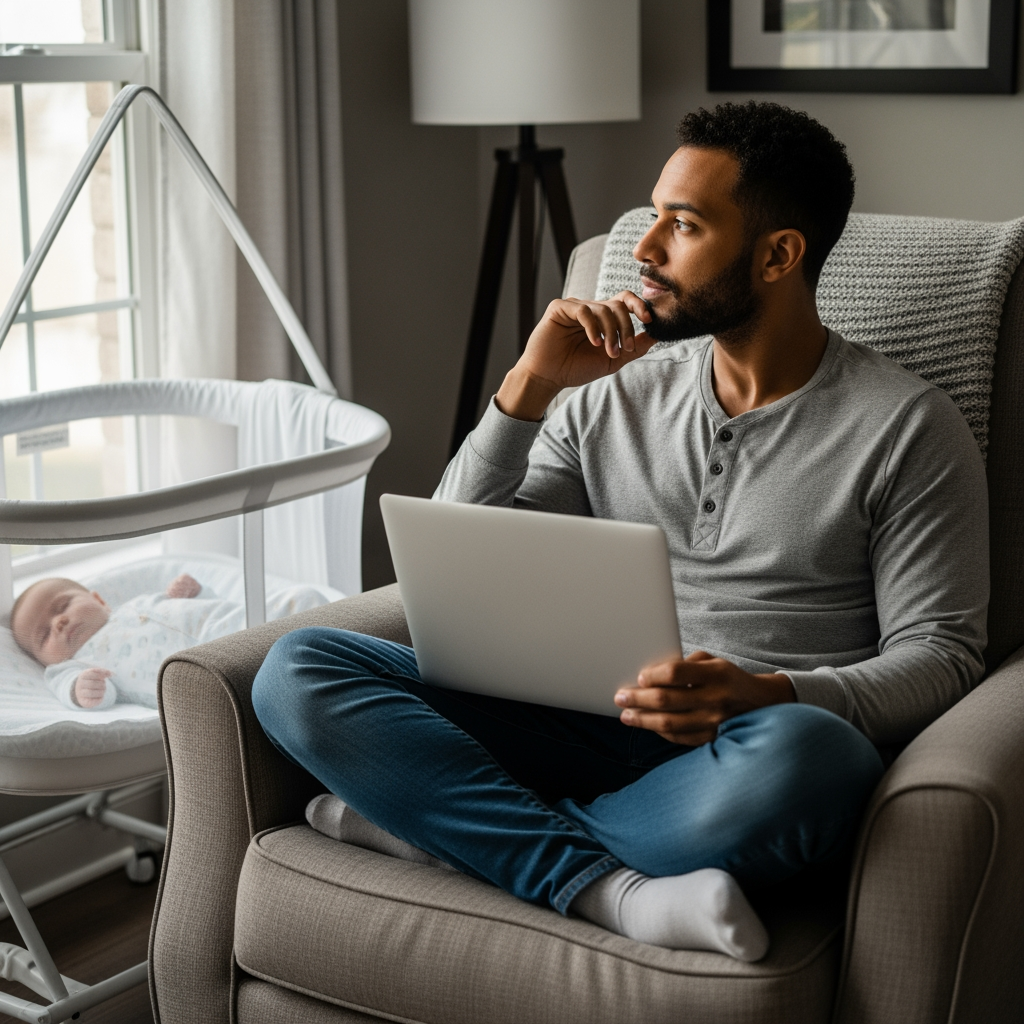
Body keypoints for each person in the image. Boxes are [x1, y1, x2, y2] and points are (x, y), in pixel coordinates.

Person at [251, 101, 988, 961]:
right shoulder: (607, 396)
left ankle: (436, 830)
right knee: (299, 666)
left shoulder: (909, 427)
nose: (642, 251)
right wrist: (527, 387)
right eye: (652, 218)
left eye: (682, 226)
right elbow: (454, 570)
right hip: (573, 722)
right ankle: (611, 889)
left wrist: (773, 692)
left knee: (819, 760)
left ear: (779, 253)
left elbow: (942, 657)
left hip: (740, 753)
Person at [12, 573, 329, 710]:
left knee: (304, 599)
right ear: (44, 661)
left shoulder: (137, 604)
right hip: (205, 670)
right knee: (274, 663)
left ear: (98, 600)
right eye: (44, 635)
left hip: (227, 623)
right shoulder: (72, 666)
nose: (59, 622)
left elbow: (204, 605)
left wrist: (195, 592)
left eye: (63, 606)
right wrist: (81, 688)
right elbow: (76, 688)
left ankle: (328, 644)